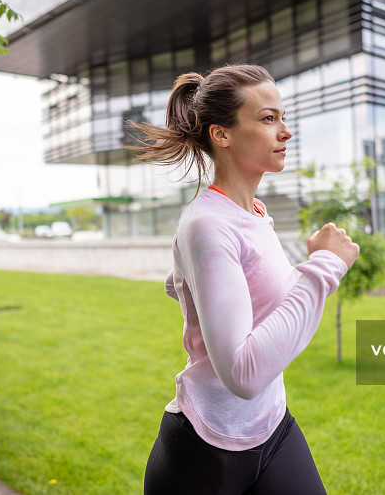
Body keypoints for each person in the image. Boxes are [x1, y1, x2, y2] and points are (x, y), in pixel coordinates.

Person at [134, 64, 360, 495]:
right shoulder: (207, 223)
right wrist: (326, 269)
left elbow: (255, 295)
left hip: (271, 426)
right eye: (268, 118)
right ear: (222, 134)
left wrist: (187, 280)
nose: (285, 131)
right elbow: (243, 372)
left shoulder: (252, 213)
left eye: (283, 117)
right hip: (205, 450)